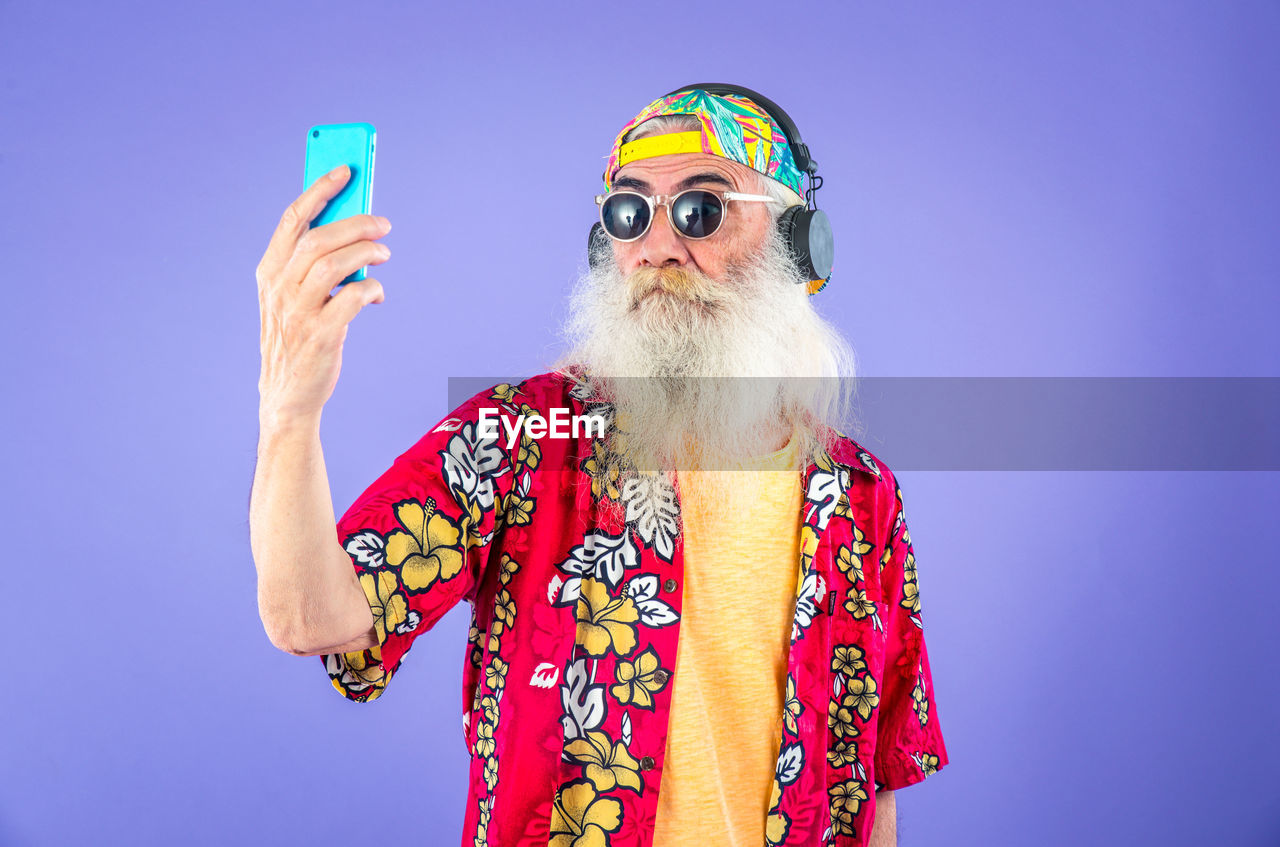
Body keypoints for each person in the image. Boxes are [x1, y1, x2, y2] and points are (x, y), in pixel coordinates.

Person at [251, 85, 949, 847]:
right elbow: (310, 619)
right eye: (629, 213)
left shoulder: (861, 494)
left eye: (700, 210)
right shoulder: (524, 437)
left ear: (795, 242)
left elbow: (879, 776)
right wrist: (288, 410)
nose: (655, 248)